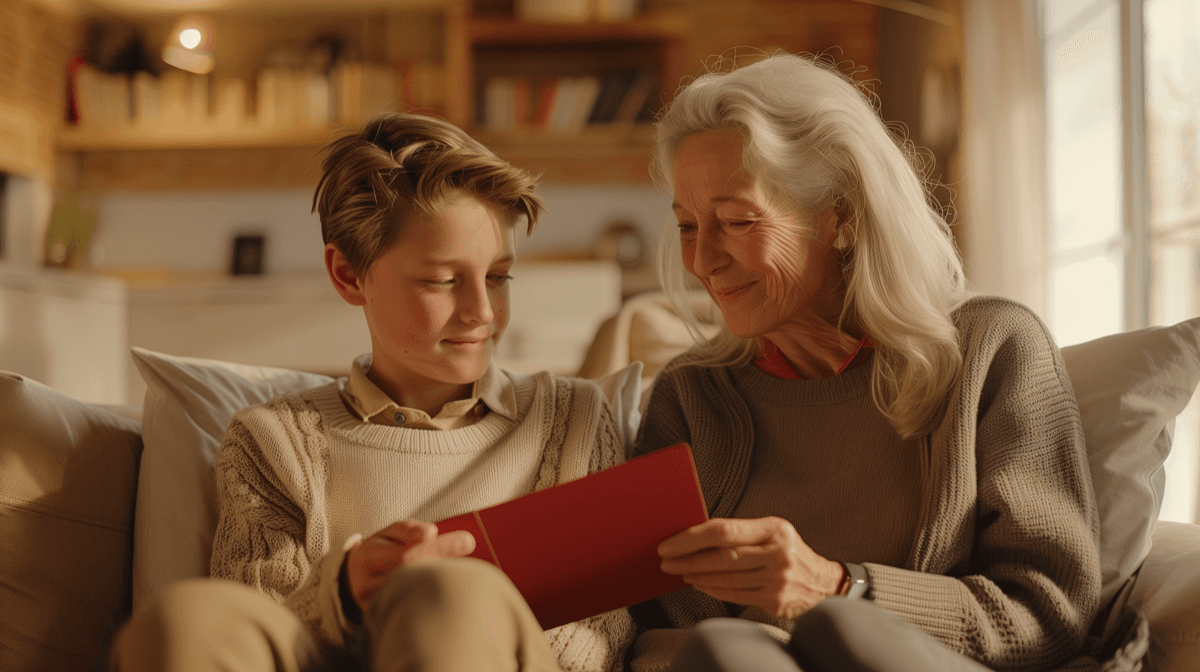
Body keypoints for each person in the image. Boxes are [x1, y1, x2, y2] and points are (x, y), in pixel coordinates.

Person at [626, 53, 1144, 672]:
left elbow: (1049, 614)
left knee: (840, 626)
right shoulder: (691, 397)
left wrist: (838, 587)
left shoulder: (993, 350)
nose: (702, 261)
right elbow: (651, 628)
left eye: (737, 221)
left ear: (840, 215)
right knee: (722, 646)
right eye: (688, 227)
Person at [110, 112, 634, 672]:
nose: (482, 311)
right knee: (187, 618)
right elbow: (255, 624)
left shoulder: (573, 420)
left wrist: (463, 619)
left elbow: (603, 630)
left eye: (498, 277)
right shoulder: (270, 444)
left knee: (448, 594)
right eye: (442, 281)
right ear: (348, 275)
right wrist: (341, 593)